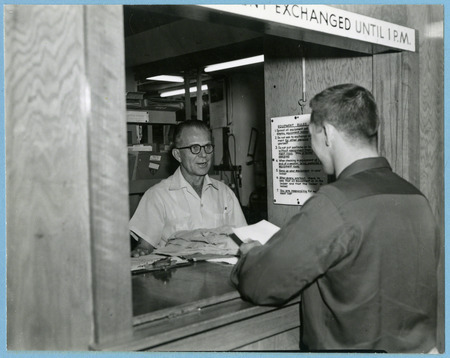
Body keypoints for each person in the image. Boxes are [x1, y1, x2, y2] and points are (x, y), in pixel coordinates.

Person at [230, 84, 439, 353]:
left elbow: (262, 283)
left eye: (311, 136)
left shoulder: (333, 203)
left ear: (327, 133)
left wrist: (250, 254)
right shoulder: (417, 199)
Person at [130, 119, 247, 257]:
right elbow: (145, 247)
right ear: (178, 155)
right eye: (195, 148)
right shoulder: (157, 196)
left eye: (207, 146)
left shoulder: (225, 193)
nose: (203, 154)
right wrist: (141, 251)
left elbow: (242, 238)